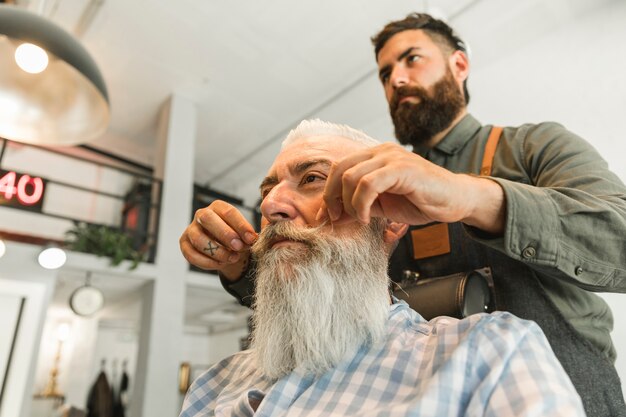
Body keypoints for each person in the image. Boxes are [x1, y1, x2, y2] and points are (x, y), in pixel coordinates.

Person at [179, 13, 626, 416]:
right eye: (386, 72)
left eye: (412, 60)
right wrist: (243, 266)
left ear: (459, 65)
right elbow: (334, 283)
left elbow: (619, 244)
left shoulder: (532, 147)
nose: (397, 79)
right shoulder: (375, 186)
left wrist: (468, 196)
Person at [179, 120, 584, 417]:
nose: (270, 206)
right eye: (267, 192)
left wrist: (469, 197)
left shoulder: (489, 356)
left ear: (390, 219)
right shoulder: (215, 382)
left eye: (313, 178)